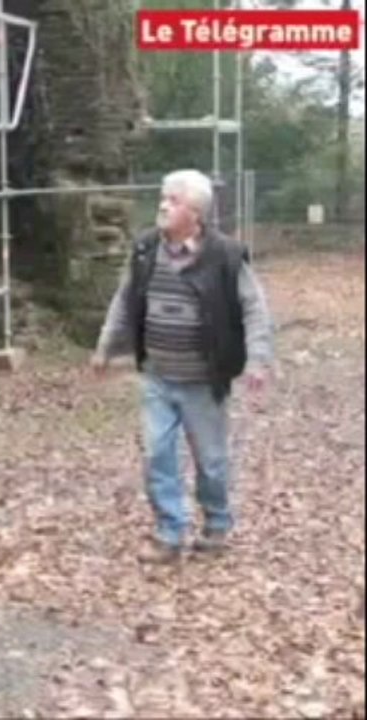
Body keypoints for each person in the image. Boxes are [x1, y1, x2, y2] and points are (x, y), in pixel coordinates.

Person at [91, 169, 274, 564]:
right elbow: (124, 301)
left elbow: (254, 309)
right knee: (157, 454)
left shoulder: (225, 256)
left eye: (172, 200)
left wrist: (259, 360)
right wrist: (106, 347)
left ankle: (216, 524)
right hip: (158, 375)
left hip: (204, 381)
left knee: (210, 460)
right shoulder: (144, 250)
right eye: (163, 197)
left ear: (195, 212)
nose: (162, 205)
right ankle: (168, 533)